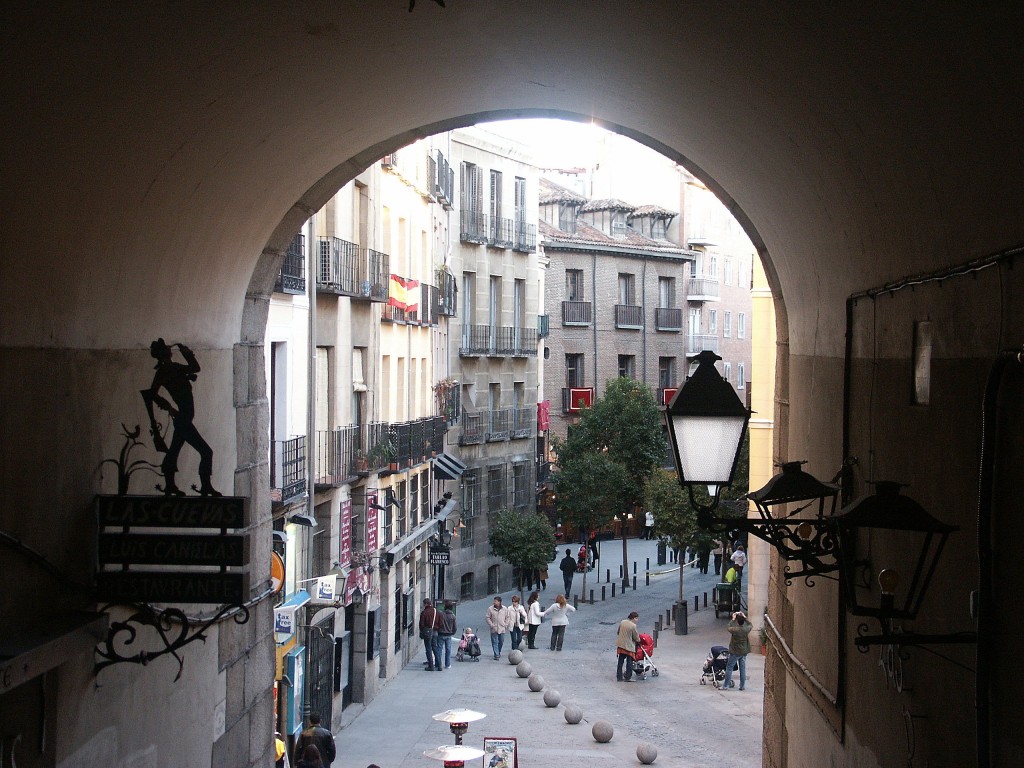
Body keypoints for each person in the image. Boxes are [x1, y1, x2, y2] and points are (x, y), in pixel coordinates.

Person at [141, 338, 219, 496]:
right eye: (167, 348)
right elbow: (151, 394)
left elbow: (195, 368)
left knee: (174, 451)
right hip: (183, 418)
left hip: (184, 418)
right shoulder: (165, 372)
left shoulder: (173, 369)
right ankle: (205, 486)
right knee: (206, 451)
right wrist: (168, 407)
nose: (170, 349)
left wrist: (186, 352)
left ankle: (171, 485)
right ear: (165, 353)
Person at [723, 610, 752, 691]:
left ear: (737, 622)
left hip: (735, 651)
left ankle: (726, 685)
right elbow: (750, 625)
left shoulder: (735, 630)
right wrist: (745, 617)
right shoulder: (746, 629)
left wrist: (733, 618)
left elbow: (728, 627)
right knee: (742, 668)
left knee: (729, 668)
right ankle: (742, 686)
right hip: (744, 651)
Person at [615, 610, 641, 681]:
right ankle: (628, 677)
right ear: (633, 618)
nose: (637, 620)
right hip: (628, 646)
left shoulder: (622, 622)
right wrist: (639, 640)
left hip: (621, 645)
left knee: (620, 662)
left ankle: (619, 677)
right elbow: (636, 637)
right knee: (629, 662)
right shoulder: (633, 626)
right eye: (636, 618)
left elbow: (618, 632)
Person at [419, 598, 443, 671]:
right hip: (435, 631)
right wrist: (437, 628)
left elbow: (421, 624)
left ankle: (431, 665)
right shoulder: (437, 612)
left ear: (426, 604)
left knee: (428, 648)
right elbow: (441, 623)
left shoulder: (424, 613)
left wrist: (423, 630)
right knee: (435, 648)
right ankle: (439, 665)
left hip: (427, 632)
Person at [485, 596, 512, 660]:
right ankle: (496, 654)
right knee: (494, 641)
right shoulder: (490, 609)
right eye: (494, 601)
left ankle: (498, 651)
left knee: (501, 641)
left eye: (495, 601)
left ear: (499, 602)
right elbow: (487, 617)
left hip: (502, 628)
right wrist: (491, 624)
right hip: (494, 628)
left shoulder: (504, 609)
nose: (494, 602)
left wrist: (506, 624)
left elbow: (508, 617)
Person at [438, 600, 458, 669]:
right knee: (448, 649)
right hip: (449, 634)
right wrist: (452, 632)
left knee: (439, 649)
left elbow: (438, 624)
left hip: (441, 634)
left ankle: (438, 663)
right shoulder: (453, 616)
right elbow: (455, 627)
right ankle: (447, 664)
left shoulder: (441, 614)